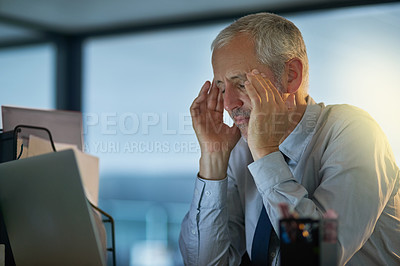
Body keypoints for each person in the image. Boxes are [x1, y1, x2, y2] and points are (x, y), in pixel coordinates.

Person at [179, 12, 400, 265]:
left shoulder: (355, 132)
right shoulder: (240, 151)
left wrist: (266, 155)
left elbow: (315, 258)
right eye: (221, 87)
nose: (228, 104)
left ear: (291, 76)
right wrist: (212, 160)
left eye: (240, 84)